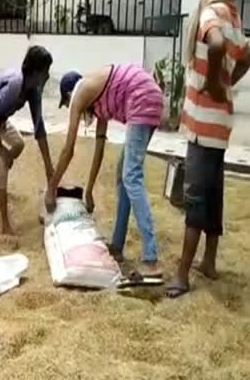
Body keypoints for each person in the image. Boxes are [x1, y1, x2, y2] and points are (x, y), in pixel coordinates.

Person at [166, 0, 250, 298]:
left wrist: (215, 86)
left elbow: (215, 44)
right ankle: (209, 262)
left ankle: (182, 274)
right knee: (214, 193)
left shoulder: (210, 12)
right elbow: (247, 57)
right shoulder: (232, 14)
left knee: (196, 197)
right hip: (222, 122)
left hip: (204, 120)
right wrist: (228, 81)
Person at [44, 63, 164, 277]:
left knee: (131, 176)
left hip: (141, 98)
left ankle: (151, 259)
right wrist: (88, 190)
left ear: (69, 95)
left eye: (67, 102)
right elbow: (99, 147)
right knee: (123, 174)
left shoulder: (81, 93)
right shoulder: (98, 97)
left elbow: (68, 149)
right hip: (149, 96)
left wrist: (51, 188)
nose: (76, 113)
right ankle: (117, 246)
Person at [0, 45, 55, 235]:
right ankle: (4, 224)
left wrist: (49, 167)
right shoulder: (15, 86)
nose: (48, 76)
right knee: (2, 163)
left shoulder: (33, 90)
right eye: (46, 72)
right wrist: (0, 147)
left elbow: (39, 128)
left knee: (18, 144)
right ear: (34, 72)